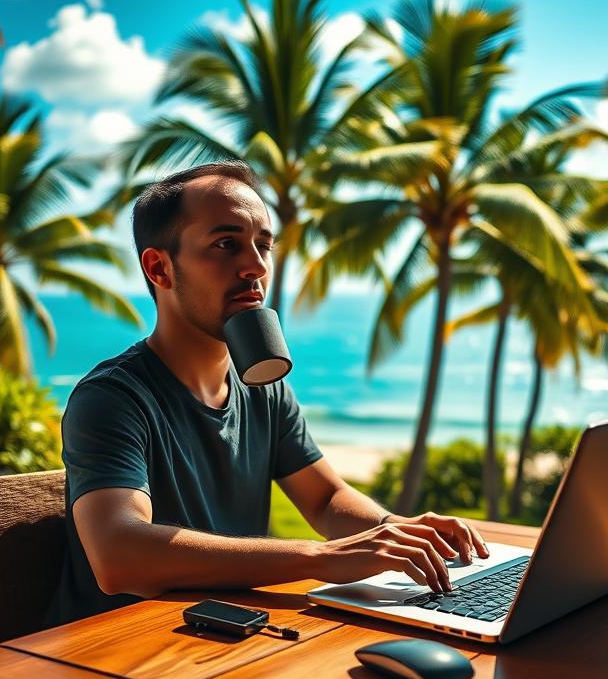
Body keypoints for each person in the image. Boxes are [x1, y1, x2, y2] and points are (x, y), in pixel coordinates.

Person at [48, 161, 489, 625]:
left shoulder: (262, 388)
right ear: (160, 268)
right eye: (226, 244)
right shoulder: (112, 398)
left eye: (263, 245)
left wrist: (394, 531)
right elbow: (119, 556)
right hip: (114, 654)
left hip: (228, 632)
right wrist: (319, 558)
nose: (256, 267)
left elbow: (324, 499)